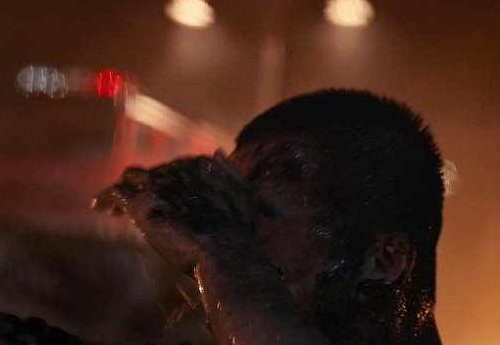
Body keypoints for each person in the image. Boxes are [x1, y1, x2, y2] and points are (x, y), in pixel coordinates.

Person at [98, 88, 445, 344]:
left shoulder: (225, 252)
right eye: (227, 210)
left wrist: (219, 243)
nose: (236, 234)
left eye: (254, 215)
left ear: (383, 261)